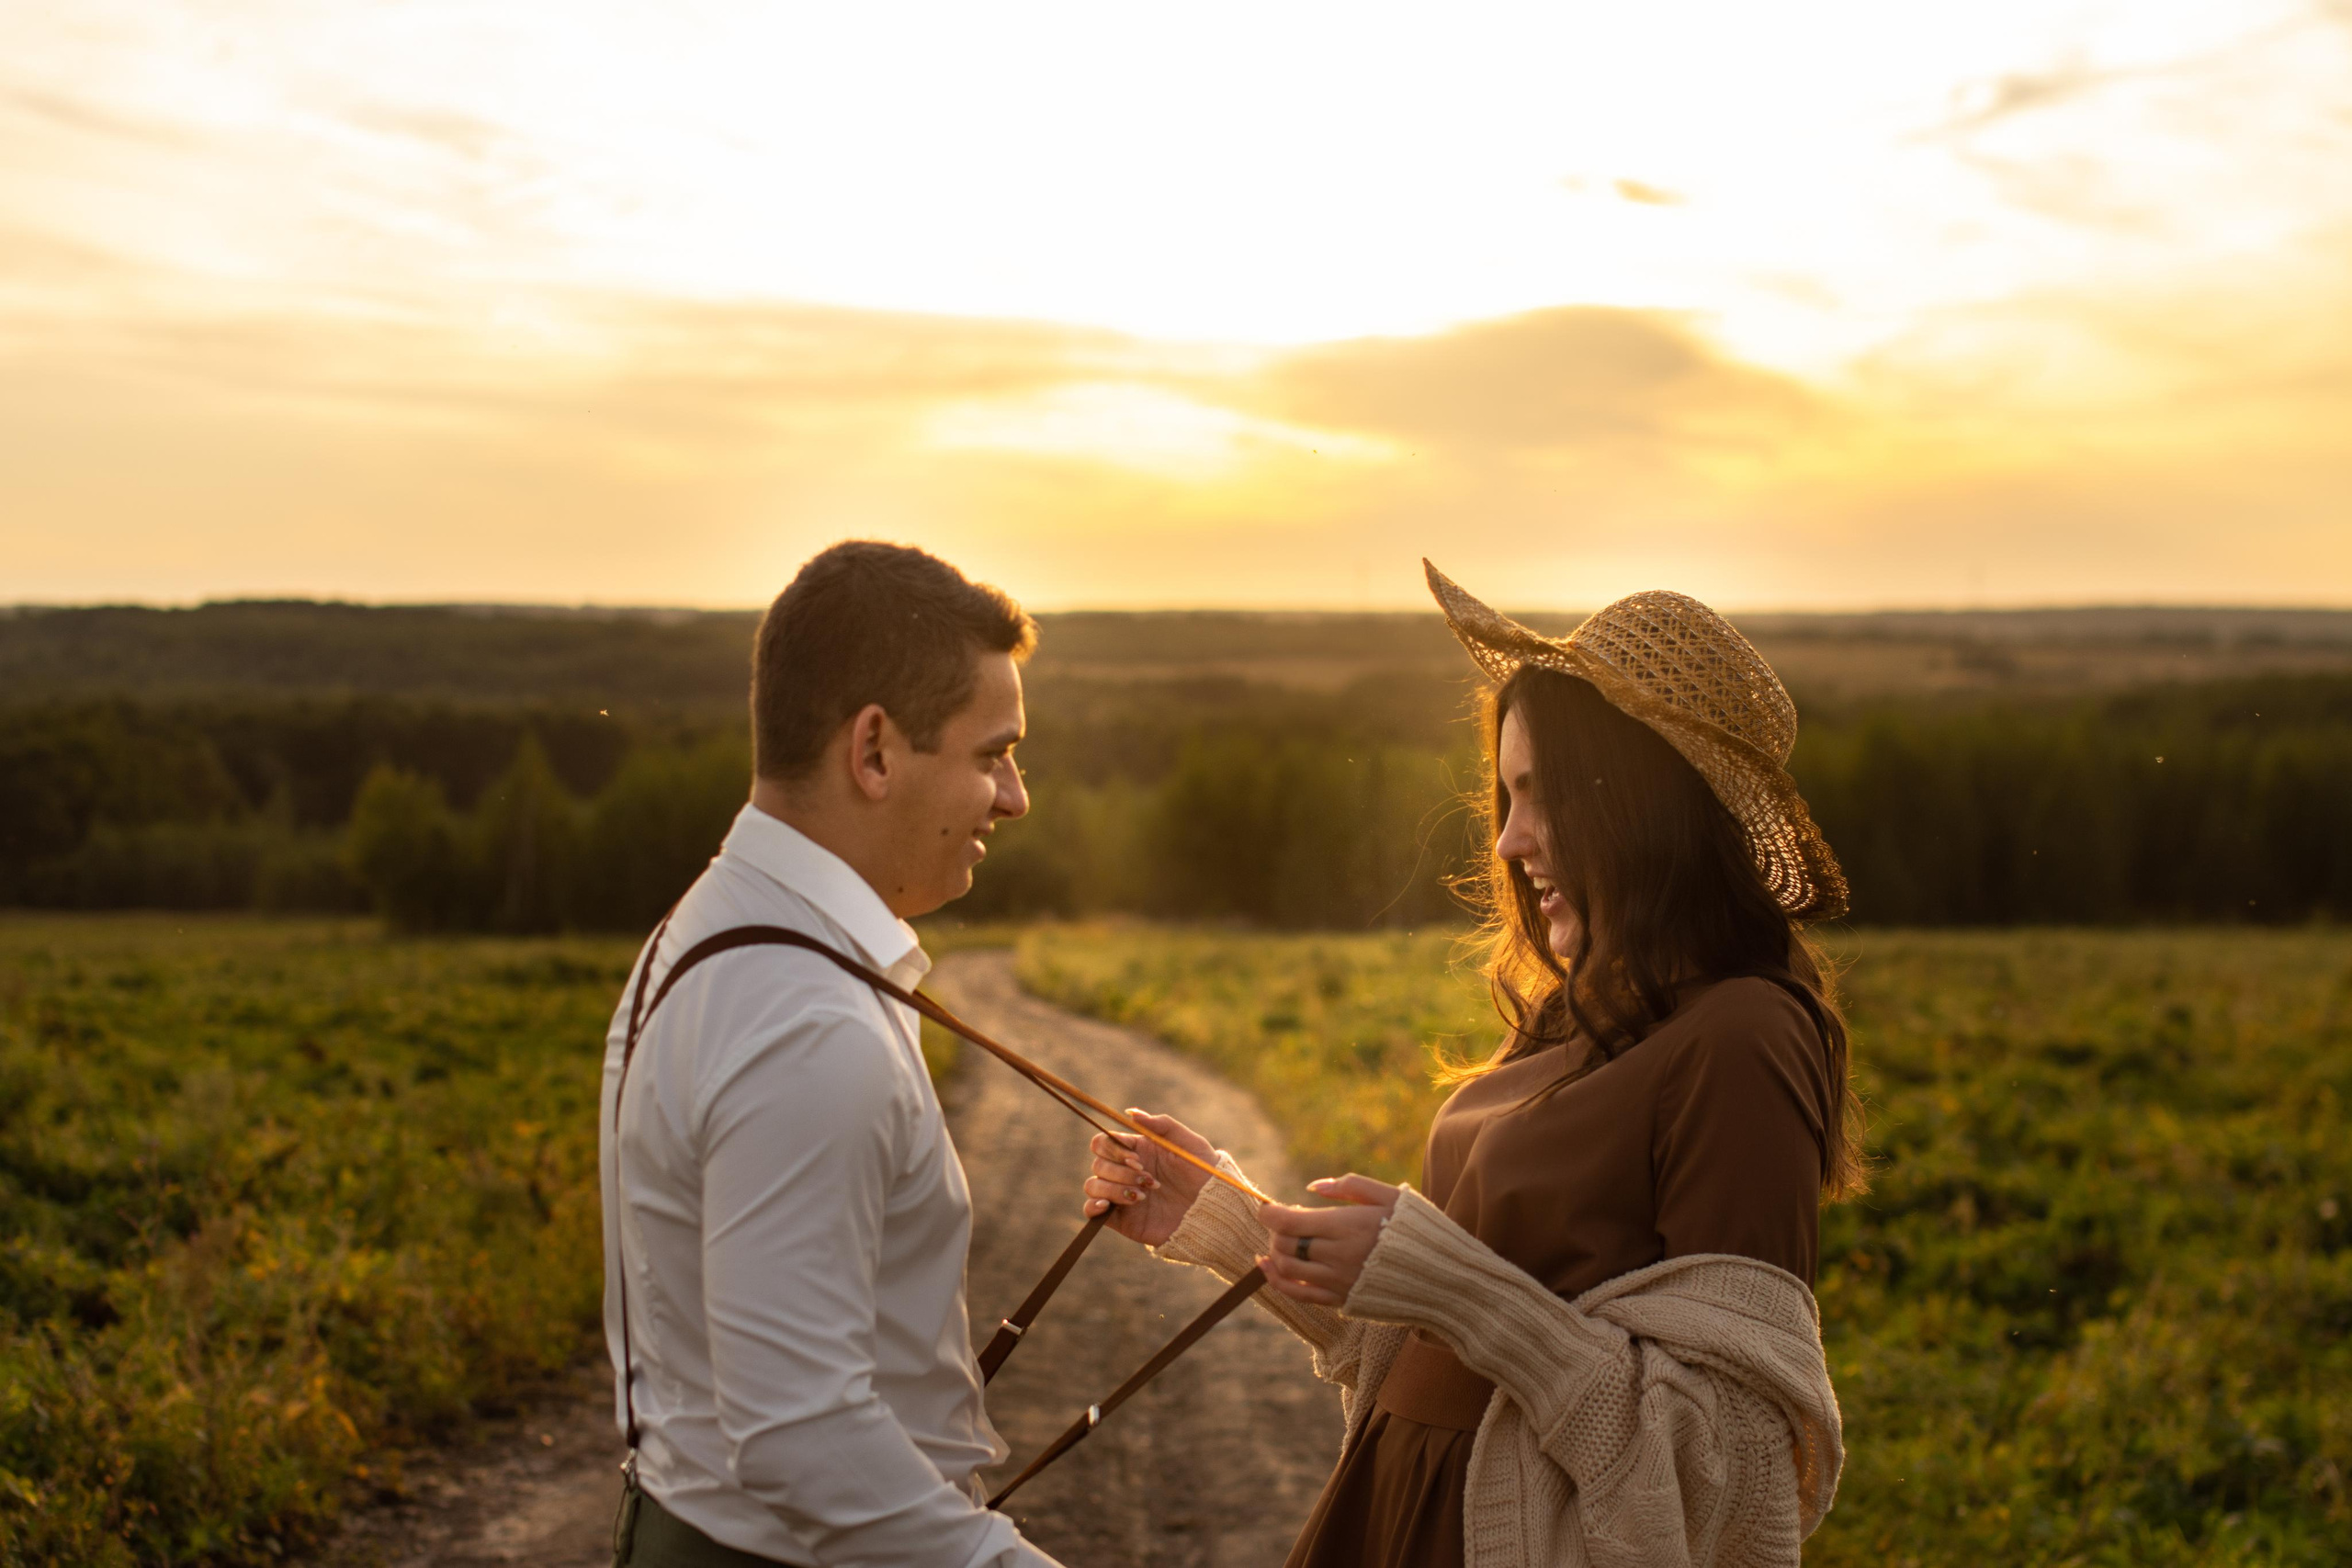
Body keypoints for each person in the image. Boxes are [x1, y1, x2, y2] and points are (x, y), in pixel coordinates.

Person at [1083, 561, 1860, 1568]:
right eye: (1505, 794)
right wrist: (1229, 1221)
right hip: (1395, 1509)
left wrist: (1447, 1285)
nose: (1507, 839)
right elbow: (1441, 1348)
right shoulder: (1569, 1017)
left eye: (1539, 795)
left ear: (1636, 803)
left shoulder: (1744, 1036)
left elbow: (1729, 1471)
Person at [600, 541, 1068, 1567]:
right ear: (875, 752)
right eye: (992, 755)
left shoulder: (720, 924)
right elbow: (799, 1435)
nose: (1014, 797)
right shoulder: (807, 1023)